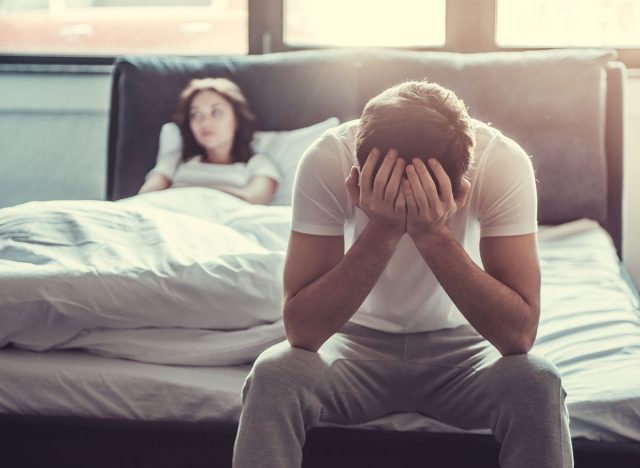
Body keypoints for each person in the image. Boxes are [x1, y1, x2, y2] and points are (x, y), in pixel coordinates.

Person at [232, 80, 574, 468]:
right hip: (351, 346)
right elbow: (302, 331)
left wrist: (433, 233)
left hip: (464, 350)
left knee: (537, 382)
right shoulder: (329, 157)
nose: (407, 200)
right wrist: (382, 230)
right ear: (358, 177)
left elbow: (519, 335)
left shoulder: (501, 162)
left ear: (462, 184)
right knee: (274, 375)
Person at [139, 78, 281, 205]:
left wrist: (184, 188)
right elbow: (145, 197)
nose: (205, 123)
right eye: (196, 114)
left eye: (216, 112)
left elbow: (254, 200)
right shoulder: (176, 159)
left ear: (236, 119)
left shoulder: (258, 163)